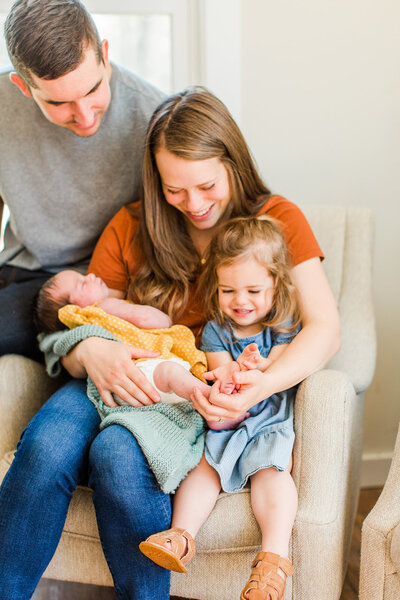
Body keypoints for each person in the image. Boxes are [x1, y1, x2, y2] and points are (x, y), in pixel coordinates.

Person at [0, 86, 341, 600]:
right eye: (174, 190)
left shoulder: (276, 221)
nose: (194, 205)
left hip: (187, 393)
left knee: (117, 455)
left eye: (206, 186)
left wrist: (260, 385)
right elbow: (81, 321)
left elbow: (325, 329)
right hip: (113, 374)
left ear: (233, 163)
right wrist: (89, 350)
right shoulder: (131, 226)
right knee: (46, 447)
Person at [139, 216, 300, 600]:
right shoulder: (215, 330)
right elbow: (216, 372)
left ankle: (272, 564)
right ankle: (181, 537)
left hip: (267, 420)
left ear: (276, 285)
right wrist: (232, 370)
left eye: (253, 290)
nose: (240, 301)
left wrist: (256, 366)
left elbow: (280, 369)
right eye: (229, 290)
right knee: (203, 469)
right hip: (226, 419)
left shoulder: (283, 324)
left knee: (271, 473)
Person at [0, 0, 164, 360]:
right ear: (23, 87)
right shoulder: (2, 106)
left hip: (111, 282)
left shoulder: (154, 115)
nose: (85, 117)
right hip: (30, 273)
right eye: (60, 103)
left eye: (92, 90)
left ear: (105, 55)